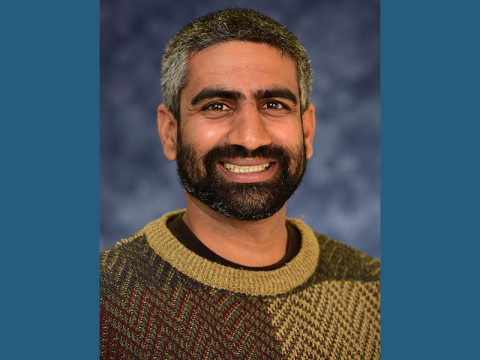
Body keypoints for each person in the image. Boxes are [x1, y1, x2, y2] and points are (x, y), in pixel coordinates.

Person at [100, 8, 380, 360]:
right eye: (217, 105)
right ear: (171, 133)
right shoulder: (103, 304)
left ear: (307, 130)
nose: (250, 138)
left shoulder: (376, 291)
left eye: (274, 104)